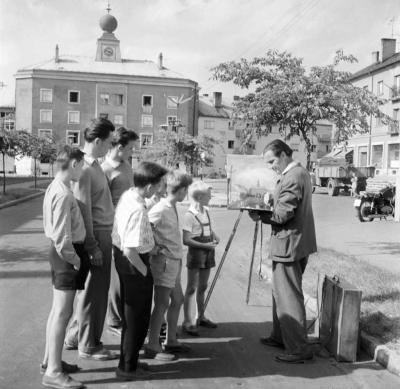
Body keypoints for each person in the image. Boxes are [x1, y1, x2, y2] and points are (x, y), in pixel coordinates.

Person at [249, 139, 317, 364]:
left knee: (288, 296)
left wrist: (259, 212)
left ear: (284, 155)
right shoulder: (299, 172)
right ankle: (280, 337)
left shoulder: (292, 176)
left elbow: (282, 215)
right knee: (281, 292)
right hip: (296, 242)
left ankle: (298, 348)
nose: (271, 166)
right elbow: (286, 205)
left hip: (289, 244)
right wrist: (271, 201)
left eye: (272, 161)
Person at [64, 118, 117, 361]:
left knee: (90, 291)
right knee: (94, 293)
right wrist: (93, 246)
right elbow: (83, 209)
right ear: (97, 141)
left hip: (103, 232)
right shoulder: (85, 169)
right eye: (108, 142)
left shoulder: (94, 165)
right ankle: (89, 344)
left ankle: (76, 336)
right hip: (96, 236)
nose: (110, 146)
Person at [112, 161, 168, 381]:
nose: (163, 188)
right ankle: (127, 368)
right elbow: (130, 250)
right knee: (136, 319)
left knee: (131, 317)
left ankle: (130, 361)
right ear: (149, 187)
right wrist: (145, 271)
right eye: (160, 184)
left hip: (126, 261)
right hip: (134, 263)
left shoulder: (130, 195)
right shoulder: (136, 209)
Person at [41, 146, 87, 389]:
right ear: (74, 164)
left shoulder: (55, 186)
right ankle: (53, 372)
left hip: (61, 254)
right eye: (82, 165)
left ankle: (51, 359)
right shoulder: (64, 194)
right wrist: (75, 259)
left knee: (57, 311)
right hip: (66, 255)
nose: (83, 170)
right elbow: (61, 236)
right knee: (62, 313)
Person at [145, 171, 193, 360]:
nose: (186, 193)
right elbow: (145, 224)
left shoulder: (171, 206)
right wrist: (153, 247)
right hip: (164, 262)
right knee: (162, 303)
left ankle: (170, 340)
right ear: (181, 190)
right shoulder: (162, 207)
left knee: (177, 300)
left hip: (174, 261)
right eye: (186, 189)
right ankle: (153, 345)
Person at [101, 127, 139, 337]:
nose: (133, 152)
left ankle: (123, 316)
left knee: (127, 274)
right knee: (116, 277)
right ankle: (114, 320)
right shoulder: (105, 170)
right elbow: (103, 204)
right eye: (131, 148)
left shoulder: (126, 166)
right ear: (120, 147)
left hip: (130, 226)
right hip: (115, 228)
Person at [182, 181, 220, 336]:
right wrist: (206, 246)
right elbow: (186, 239)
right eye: (208, 196)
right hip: (197, 251)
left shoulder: (206, 210)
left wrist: (215, 235)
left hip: (208, 250)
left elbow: (207, 228)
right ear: (199, 197)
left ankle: (201, 316)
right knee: (191, 287)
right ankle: (187, 321)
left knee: (203, 285)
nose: (210, 197)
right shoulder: (189, 215)